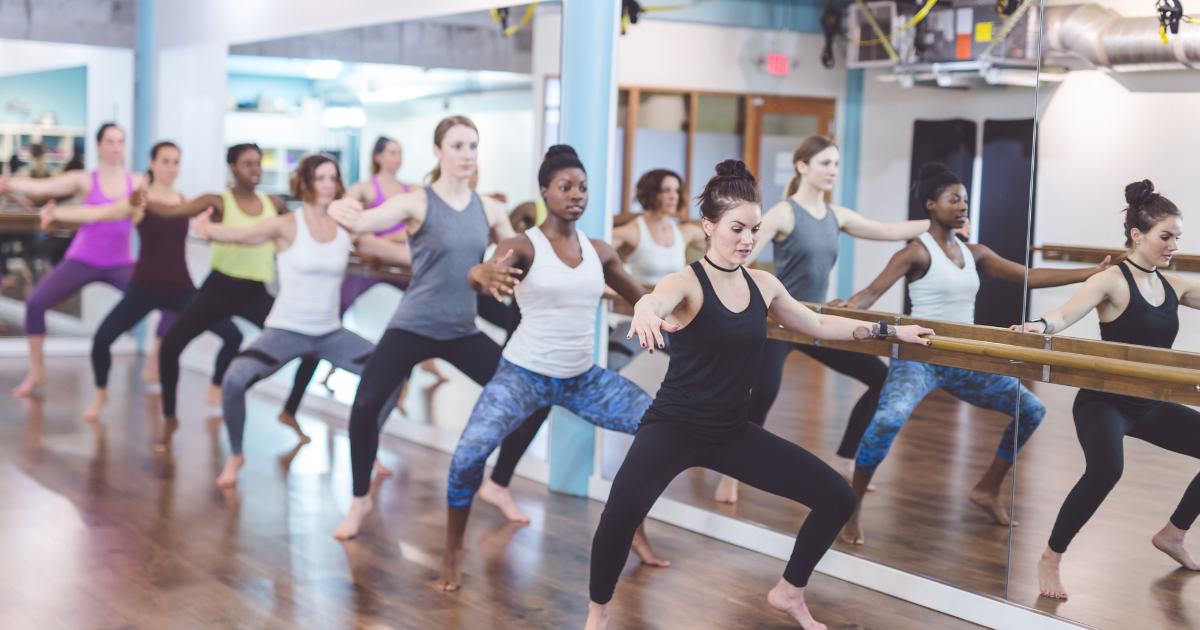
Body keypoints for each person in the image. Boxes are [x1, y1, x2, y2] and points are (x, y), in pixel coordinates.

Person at [585, 160, 934, 630]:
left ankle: (789, 592)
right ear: (708, 227)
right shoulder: (687, 282)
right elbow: (655, 298)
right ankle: (598, 615)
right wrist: (645, 310)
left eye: (754, 228)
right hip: (673, 426)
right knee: (619, 517)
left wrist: (890, 331)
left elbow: (818, 324)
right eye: (736, 228)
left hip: (730, 432)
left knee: (837, 498)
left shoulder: (763, 284)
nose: (747, 239)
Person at [833, 163, 1110, 545]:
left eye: (964, 199)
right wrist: (845, 307)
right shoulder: (915, 253)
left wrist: (1089, 274)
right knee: (888, 417)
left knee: (1031, 410)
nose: (962, 205)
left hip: (962, 361)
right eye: (953, 199)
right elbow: (869, 294)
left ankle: (987, 489)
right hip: (919, 360)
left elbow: (1029, 275)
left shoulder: (975, 253)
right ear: (931, 205)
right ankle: (853, 506)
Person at [435, 146, 669, 591]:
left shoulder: (599, 251)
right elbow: (482, 272)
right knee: (467, 458)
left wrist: (673, 310)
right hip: (522, 375)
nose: (576, 194)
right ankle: (452, 552)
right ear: (545, 191)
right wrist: (480, 275)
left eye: (582, 187)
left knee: (657, 427)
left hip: (582, 378)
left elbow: (643, 298)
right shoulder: (522, 246)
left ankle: (634, 530)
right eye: (565, 187)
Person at [327, 115, 540, 540]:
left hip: (461, 328)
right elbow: (361, 222)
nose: (466, 155)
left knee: (530, 401)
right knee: (366, 406)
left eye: (473, 146)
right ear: (438, 151)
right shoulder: (417, 203)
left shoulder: (489, 209)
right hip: (413, 324)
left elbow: (523, 251)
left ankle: (497, 485)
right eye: (457, 146)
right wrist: (336, 206)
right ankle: (359, 499)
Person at [714, 136, 931, 504]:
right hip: (779, 322)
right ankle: (730, 474)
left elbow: (890, 231)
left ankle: (845, 459)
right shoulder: (783, 213)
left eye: (835, 164)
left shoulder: (837, 215)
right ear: (802, 167)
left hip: (815, 321)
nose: (833, 171)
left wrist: (941, 222)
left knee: (880, 378)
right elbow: (741, 256)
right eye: (825, 163)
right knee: (762, 395)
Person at [1012, 180, 1200, 599]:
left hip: (1151, 403)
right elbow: (1064, 314)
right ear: (1137, 234)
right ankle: (1051, 558)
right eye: (1165, 237)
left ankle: (1173, 534)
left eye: (1177, 238)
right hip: (1105, 403)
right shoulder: (1113, 280)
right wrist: (1038, 327)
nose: (1173, 246)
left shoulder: (1176, 286)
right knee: (1106, 470)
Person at [193, 154, 411, 488]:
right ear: (305, 183)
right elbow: (241, 234)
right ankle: (236, 454)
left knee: (394, 374)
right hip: (286, 330)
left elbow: (391, 249)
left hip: (330, 333)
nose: (328, 185)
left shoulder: (347, 227)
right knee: (235, 379)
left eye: (332, 178)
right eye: (320, 178)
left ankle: (368, 446)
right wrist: (207, 229)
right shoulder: (287, 224)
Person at [39, 141, 242, 421]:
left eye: (176, 162)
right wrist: (57, 213)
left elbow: (220, 223)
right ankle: (100, 395)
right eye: (166, 161)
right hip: (143, 288)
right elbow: (95, 213)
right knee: (102, 340)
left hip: (182, 289)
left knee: (233, 335)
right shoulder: (140, 201)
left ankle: (215, 387)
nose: (172, 168)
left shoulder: (186, 202)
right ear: (153, 164)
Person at [145, 143, 318, 451]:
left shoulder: (274, 204)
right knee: (170, 347)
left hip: (255, 293)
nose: (255, 170)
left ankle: (288, 411)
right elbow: (173, 211)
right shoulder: (218, 201)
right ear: (233, 168)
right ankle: (170, 416)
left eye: (258, 163)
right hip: (218, 291)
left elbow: (305, 229)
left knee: (309, 347)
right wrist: (142, 201)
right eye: (247, 164)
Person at [0, 123, 137, 397]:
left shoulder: (138, 181)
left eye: (120, 141)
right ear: (99, 146)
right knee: (36, 303)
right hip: (84, 258)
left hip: (122, 262)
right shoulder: (85, 179)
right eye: (109, 141)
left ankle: (156, 366)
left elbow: (167, 197)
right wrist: (10, 183)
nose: (115, 147)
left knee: (169, 301)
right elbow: (44, 186)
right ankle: (37, 370)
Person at [605, 169, 706, 371]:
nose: (673, 196)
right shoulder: (632, 232)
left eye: (676, 191)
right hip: (637, 318)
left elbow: (723, 249)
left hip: (673, 319)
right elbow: (594, 254)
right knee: (609, 365)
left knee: (703, 368)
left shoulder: (684, 232)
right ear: (652, 193)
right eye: (666, 190)